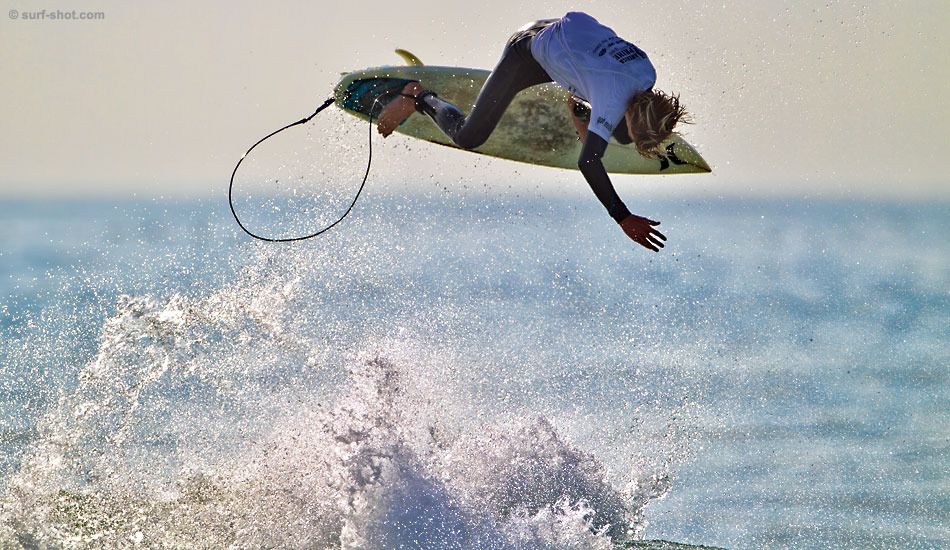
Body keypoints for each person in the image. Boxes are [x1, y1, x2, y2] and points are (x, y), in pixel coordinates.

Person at [377, 12, 689, 252]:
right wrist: (623, 217)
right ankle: (416, 97)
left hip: (562, 35)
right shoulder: (611, 96)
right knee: (469, 136)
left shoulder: (646, 73)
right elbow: (589, 163)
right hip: (526, 52)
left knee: (620, 135)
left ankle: (580, 109)